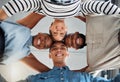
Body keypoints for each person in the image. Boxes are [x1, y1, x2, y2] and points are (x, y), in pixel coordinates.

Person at [0, 0, 120, 41]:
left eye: (55, 32)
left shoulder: (42, 10)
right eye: (62, 33)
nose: (59, 30)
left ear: (51, 27)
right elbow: (101, 7)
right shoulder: (78, 11)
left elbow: (20, 4)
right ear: (66, 28)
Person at [25, 41, 120, 82]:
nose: (59, 50)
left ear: (67, 53)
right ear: (50, 55)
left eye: (62, 48)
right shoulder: (37, 78)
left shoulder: (85, 77)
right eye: (54, 48)